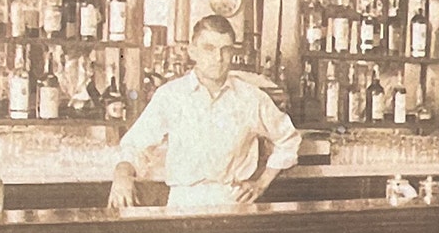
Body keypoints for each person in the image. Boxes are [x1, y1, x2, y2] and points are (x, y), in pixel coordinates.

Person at [109, 15, 301, 210]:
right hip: (183, 203)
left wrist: (261, 183)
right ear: (193, 51)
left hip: (233, 204)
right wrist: (123, 173)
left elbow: (288, 139)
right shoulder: (171, 95)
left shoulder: (251, 97)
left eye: (225, 50)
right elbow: (135, 144)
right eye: (209, 49)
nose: (218, 58)